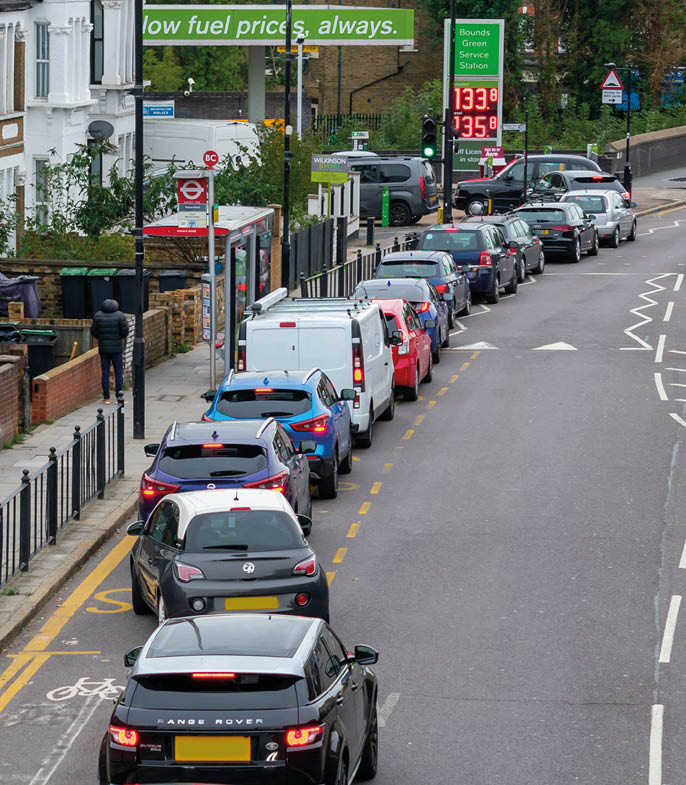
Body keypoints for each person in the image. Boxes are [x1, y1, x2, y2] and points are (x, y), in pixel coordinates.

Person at [91, 299, 129, 404]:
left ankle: (106, 398)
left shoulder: (97, 316)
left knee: (105, 372)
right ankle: (119, 397)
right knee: (118, 372)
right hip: (117, 349)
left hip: (103, 348)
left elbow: (94, 332)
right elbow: (125, 332)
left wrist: (102, 338)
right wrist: (119, 337)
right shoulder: (120, 315)